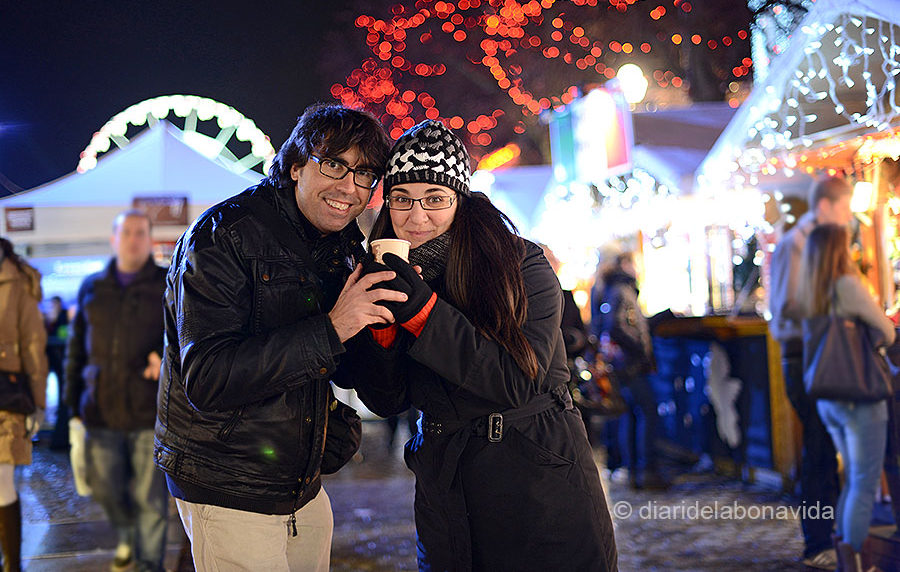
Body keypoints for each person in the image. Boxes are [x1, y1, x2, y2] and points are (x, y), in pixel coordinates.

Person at [353, 120, 618, 572]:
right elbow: (386, 399)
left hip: (536, 476)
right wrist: (380, 335)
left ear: (461, 199)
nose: (417, 217)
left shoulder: (520, 263)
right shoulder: (384, 272)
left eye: (435, 199)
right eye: (402, 199)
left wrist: (422, 311)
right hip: (446, 487)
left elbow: (514, 381)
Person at [155, 104, 401, 572]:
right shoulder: (222, 234)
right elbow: (208, 379)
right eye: (334, 164)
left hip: (301, 479)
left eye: (365, 174)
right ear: (295, 166)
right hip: (229, 480)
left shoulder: (342, 246)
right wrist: (334, 327)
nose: (349, 187)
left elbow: (341, 365)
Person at [65, 210, 168, 572]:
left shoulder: (166, 283)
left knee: (149, 497)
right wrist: (71, 404)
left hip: (146, 408)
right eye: (126, 232)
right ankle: (127, 536)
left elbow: (184, 335)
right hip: (99, 407)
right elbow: (76, 347)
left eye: (141, 233)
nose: (133, 239)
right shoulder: (93, 286)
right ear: (114, 239)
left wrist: (164, 354)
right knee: (107, 489)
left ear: (150, 240)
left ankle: (148, 564)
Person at [797, 224, 895, 572]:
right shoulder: (847, 285)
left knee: (852, 479)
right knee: (863, 481)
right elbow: (884, 328)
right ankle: (852, 560)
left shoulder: (809, 290)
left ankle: (848, 558)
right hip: (859, 393)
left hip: (828, 395)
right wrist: (879, 345)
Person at [769, 175, 850, 570]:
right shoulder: (796, 244)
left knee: (824, 449)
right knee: (818, 453)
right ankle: (818, 542)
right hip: (804, 357)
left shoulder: (820, 244)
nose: (850, 216)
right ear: (828, 207)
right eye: (846, 208)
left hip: (820, 354)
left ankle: (830, 538)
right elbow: (786, 306)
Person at [593, 249, 668, 491]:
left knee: (632, 415)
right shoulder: (621, 290)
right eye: (633, 263)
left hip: (624, 364)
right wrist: (639, 350)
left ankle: (635, 470)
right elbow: (615, 326)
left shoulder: (614, 289)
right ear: (624, 264)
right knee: (646, 412)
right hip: (630, 365)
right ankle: (646, 470)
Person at [0, 238, 47, 572]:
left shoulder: (18, 279)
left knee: (1, 483)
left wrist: (38, 404)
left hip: (4, 398)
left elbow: (33, 345)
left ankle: (12, 566)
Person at [44, 295, 69, 450]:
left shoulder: (61, 317)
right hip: (56, 360)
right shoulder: (49, 319)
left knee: (62, 397)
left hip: (58, 360)